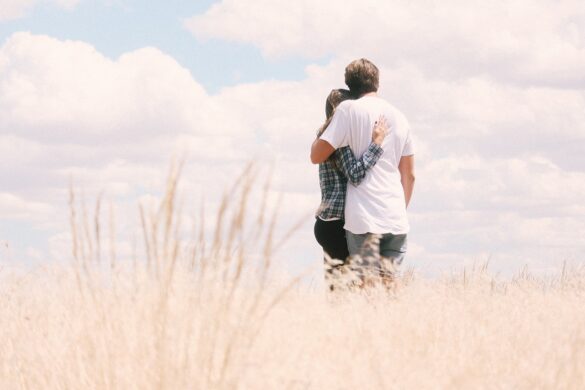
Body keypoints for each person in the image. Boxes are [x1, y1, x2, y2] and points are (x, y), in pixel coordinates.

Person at [311, 58, 416, 283]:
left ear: (350, 85)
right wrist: (399, 208)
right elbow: (409, 175)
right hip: (395, 217)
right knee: (389, 288)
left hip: (363, 218)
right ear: (377, 81)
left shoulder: (348, 110)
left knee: (361, 291)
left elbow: (317, 156)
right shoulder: (400, 116)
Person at [313, 88, 389, 289]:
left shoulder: (324, 137)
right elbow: (355, 174)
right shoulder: (340, 140)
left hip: (326, 222)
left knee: (336, 290)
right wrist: (376, 144)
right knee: (350, 290)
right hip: (339, 223)